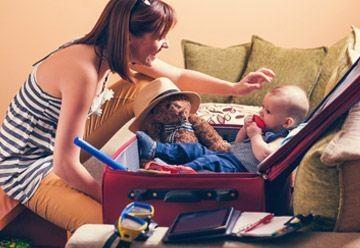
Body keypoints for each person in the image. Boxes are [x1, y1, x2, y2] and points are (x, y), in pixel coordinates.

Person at [0, 0, 274, 231]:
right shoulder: (82, 71)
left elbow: (178, 76)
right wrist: (119, 196)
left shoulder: (113, 51)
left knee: (150, 83)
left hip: (60, 143)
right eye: (159, 36)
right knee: (122, 227)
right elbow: (64, 165)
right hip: (27, 167)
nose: (165, 44)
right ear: (129, 36)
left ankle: (165, 144)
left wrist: (235, 88)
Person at [137, 85, 310, 173]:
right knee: (195, 149)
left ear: (286, 123)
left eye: (268, 111)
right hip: (229, 154)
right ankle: (156, 148)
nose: (261, 113)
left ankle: (176, 173)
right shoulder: (264, 129)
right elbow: (239, 142)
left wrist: (256, 136)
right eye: (262, 107)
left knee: (208, 163)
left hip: (238, 168)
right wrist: (245, 128)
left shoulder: (281, 137)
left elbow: (265, 156)